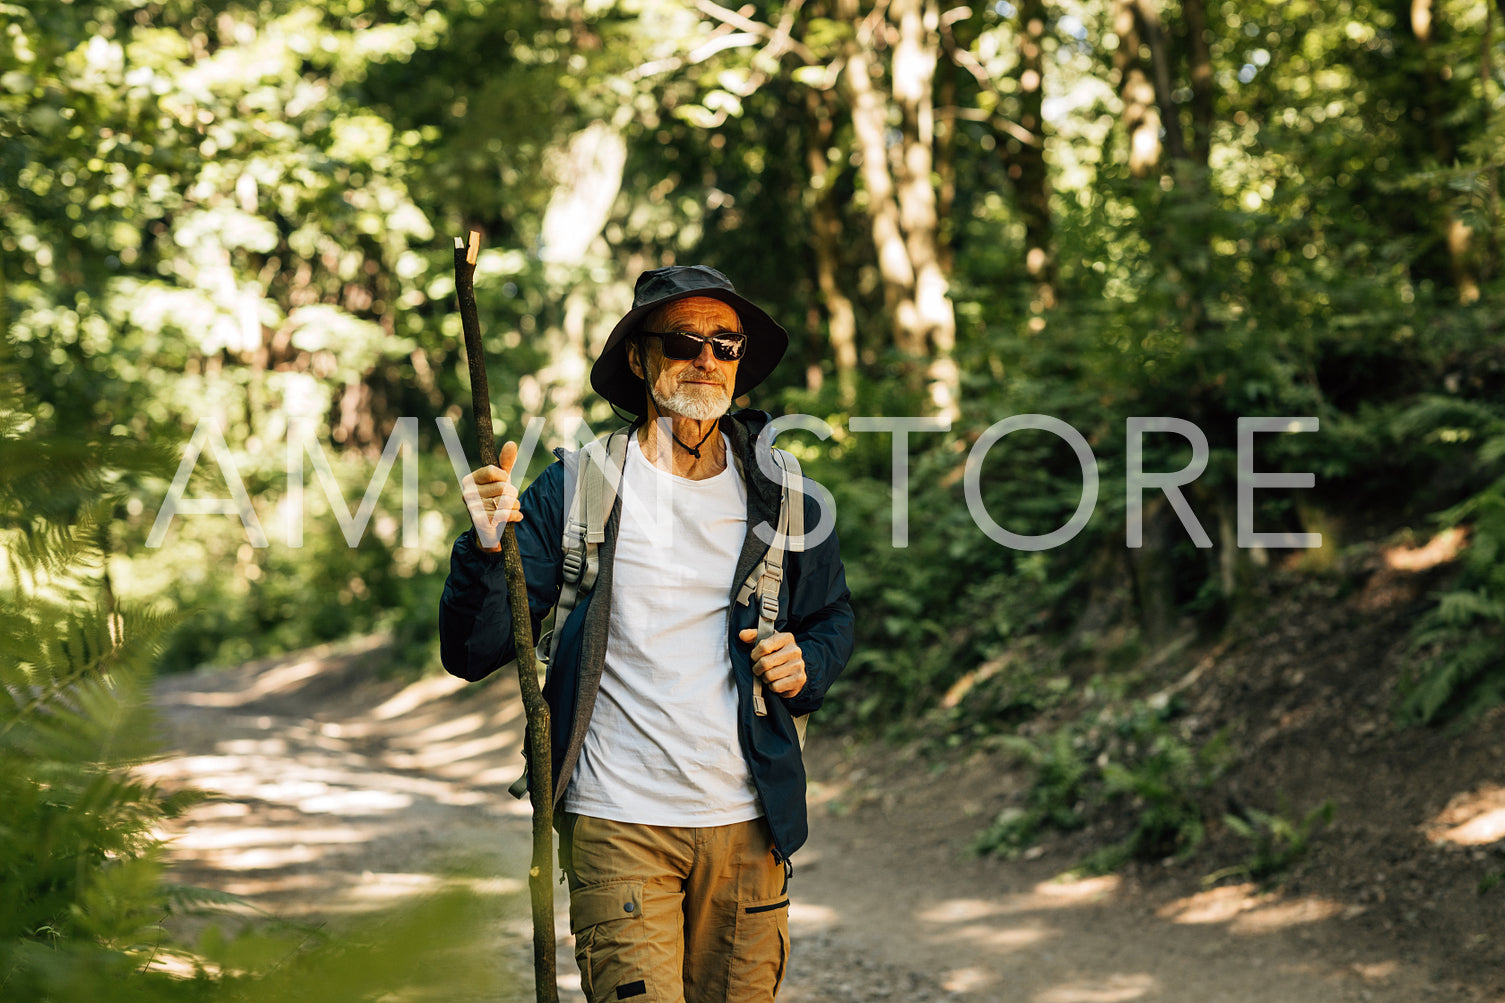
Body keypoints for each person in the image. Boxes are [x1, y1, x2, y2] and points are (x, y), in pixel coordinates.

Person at [438, 265, 854, 1003]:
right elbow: (473, 650)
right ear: (638, 357)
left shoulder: (786, 492)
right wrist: (481, 548)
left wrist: (806, 661)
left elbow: (829, 617)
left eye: (724, 344)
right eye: (683, 341)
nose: (706, 359)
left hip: (748, 821)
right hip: (617, 816)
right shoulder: (577, 487)